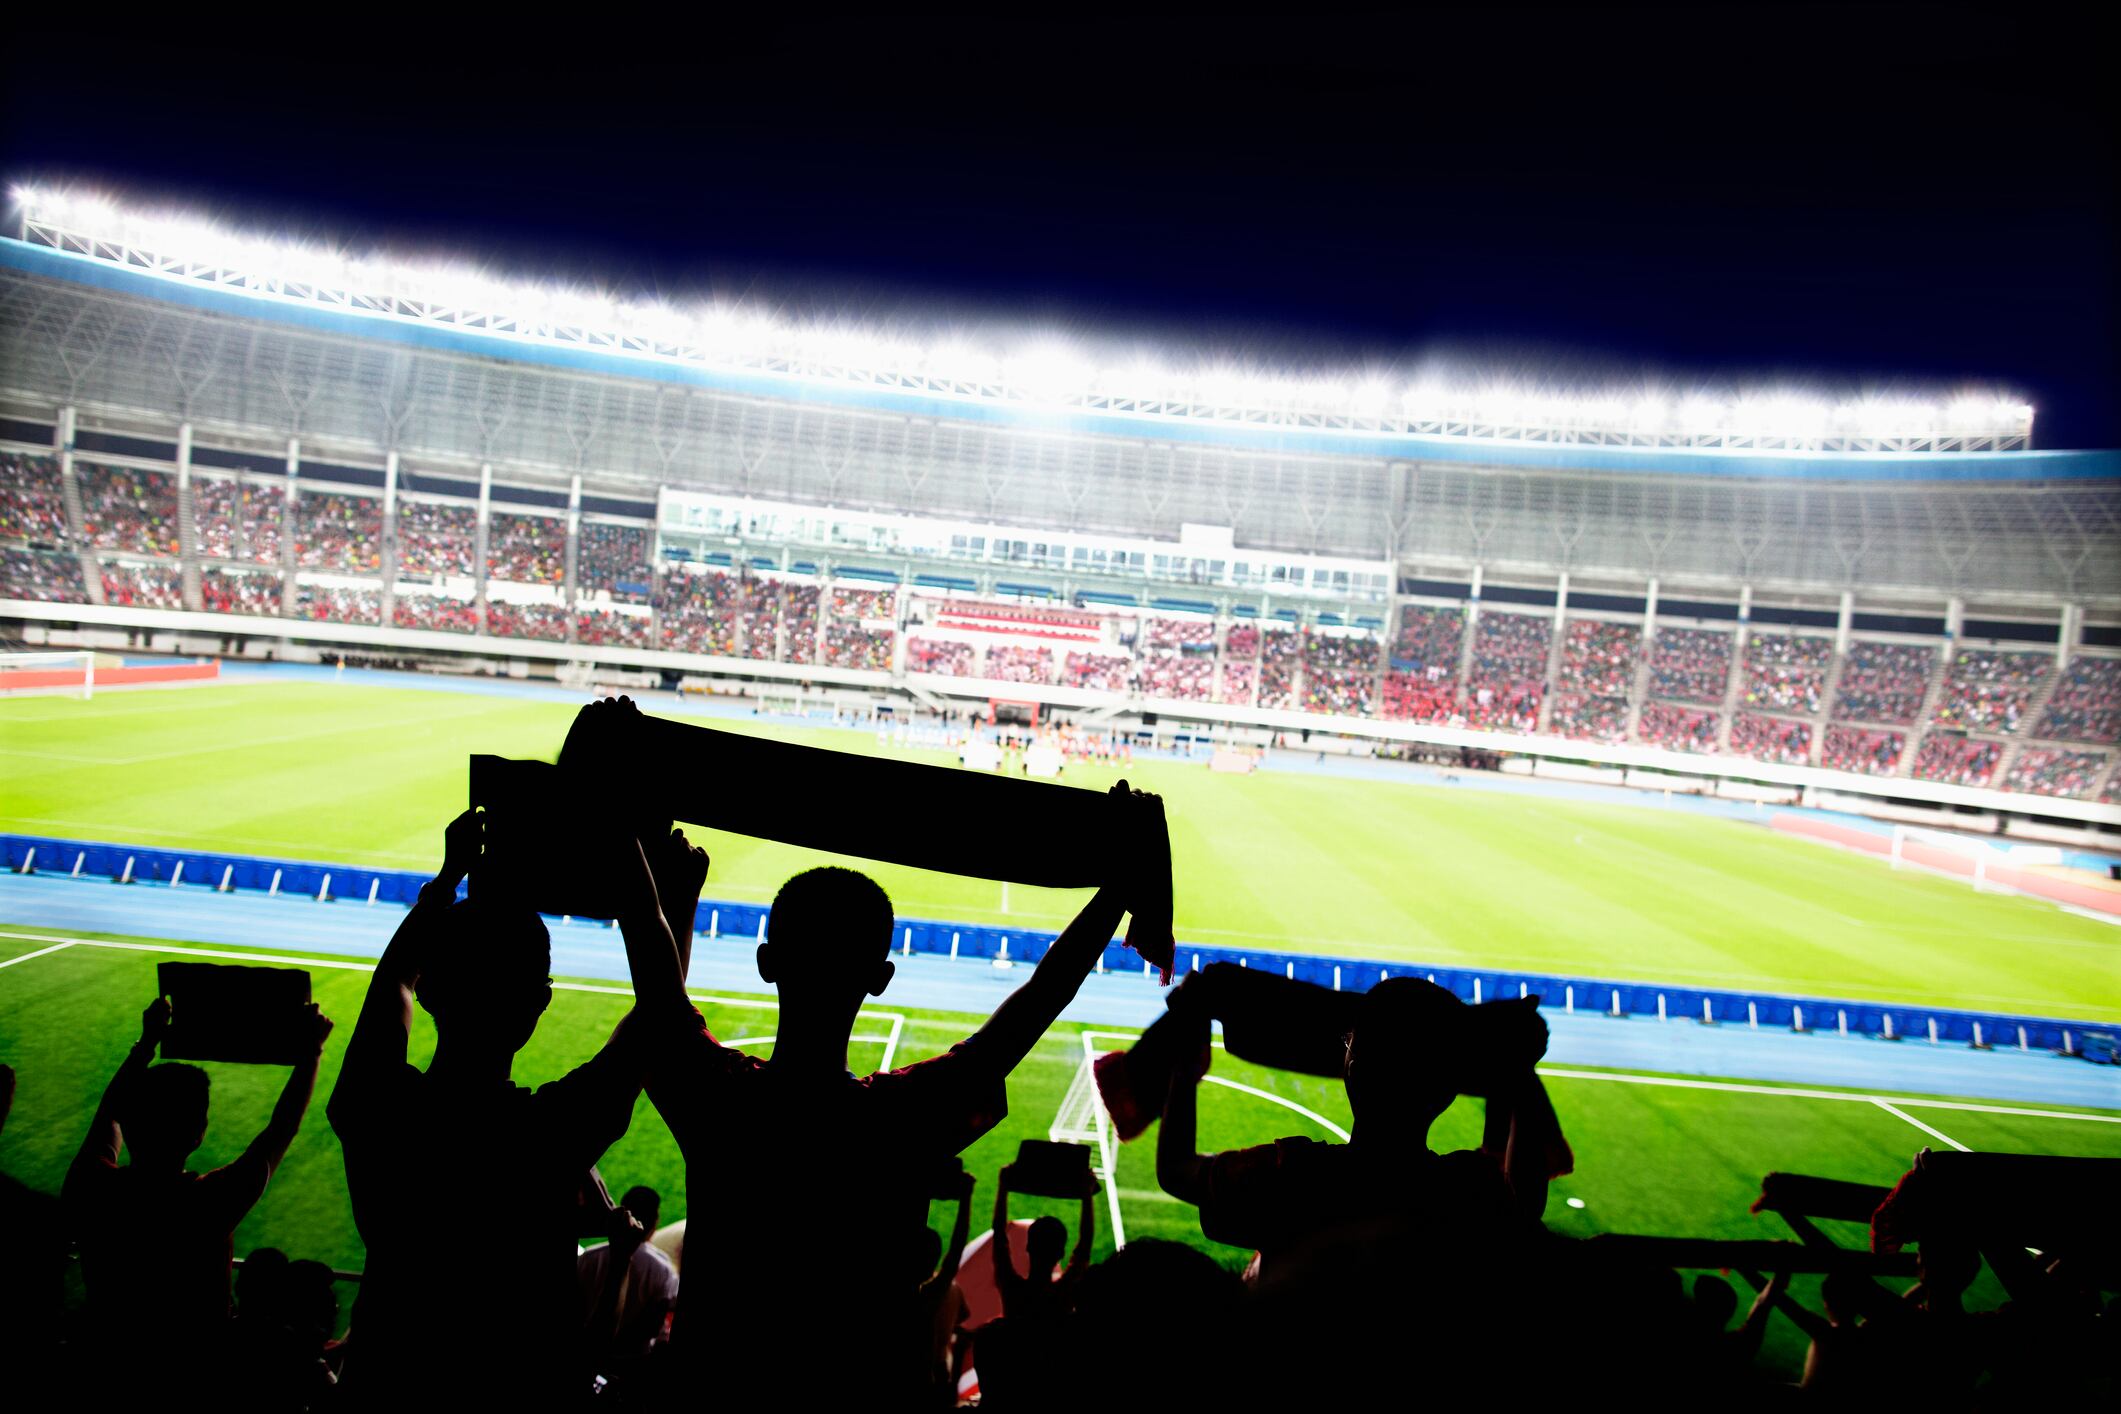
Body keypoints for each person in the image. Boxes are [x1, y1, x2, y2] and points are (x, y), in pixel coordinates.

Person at [607, 715, 1168, 1400]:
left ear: (765, 964)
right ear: (879, 979)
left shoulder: (718, 1098)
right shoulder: (900, 1117)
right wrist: (1117, 885)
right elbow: (1036, 1001)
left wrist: (635, 830)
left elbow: (653, 972)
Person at [327, 808, 707, 1404]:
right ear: (540, 1003)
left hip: (384, 1379)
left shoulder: (375, 1103)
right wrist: (663, 893)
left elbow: (394, 979)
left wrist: (449, 876)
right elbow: (658, 1013)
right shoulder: (547, 1137)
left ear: (431, 989)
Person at [1153, 969, 1564, 1283]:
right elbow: (1524, 1202)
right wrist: (1517, 1069)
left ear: (1351, 1068)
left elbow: (1176, 1171)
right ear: (1450, 1091)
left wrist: (1184, 1075)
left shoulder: (1288, 1174)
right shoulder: (1469, 1194)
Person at [64, 993, 332, 1380]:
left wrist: (145, 1044)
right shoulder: (206, 1204)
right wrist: (311, 1054)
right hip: (195, 1376)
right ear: (198, 1133)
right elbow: (281, 1129)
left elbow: (109, 1115)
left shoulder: (93, 1186)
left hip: (104, 1364)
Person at [577, 1184, 680, 1379]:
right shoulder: (663, 1269)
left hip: (588, 1353)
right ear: (655, 1221)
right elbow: (653, 1325)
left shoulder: (588, 1258)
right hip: (633, 1365)